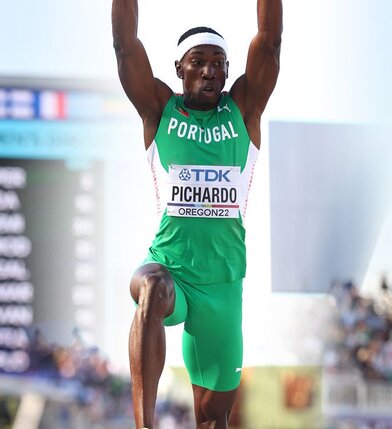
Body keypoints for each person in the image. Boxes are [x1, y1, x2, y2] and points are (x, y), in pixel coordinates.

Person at [111, 0, 281, 427]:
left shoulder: (244, 110)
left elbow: (270, 41)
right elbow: (125, 45)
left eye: (218, 64)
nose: (209, 71)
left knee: (211, 418)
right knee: (151, 286)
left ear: (227, 73)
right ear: (179, 69)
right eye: (198, 62)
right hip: (172, 267)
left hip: (223, 285)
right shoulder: (158, 109)